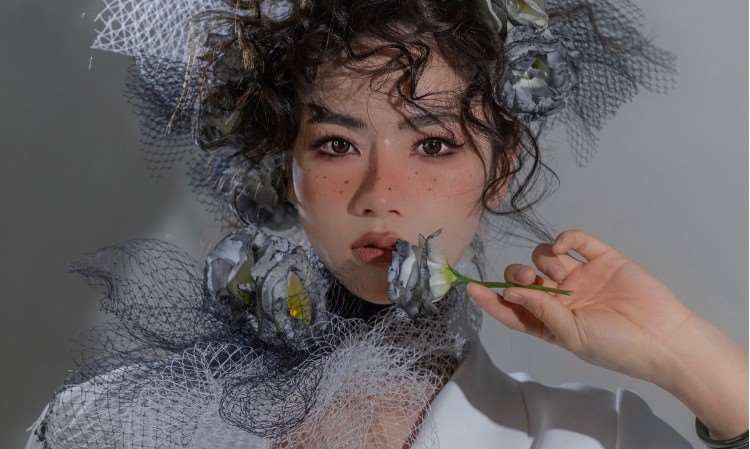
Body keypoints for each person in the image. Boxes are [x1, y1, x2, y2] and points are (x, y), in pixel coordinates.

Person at [25, 0, 748, 448]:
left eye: (432, 145)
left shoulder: (594, 438)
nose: (380, 195)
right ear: (286, 170)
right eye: (336, 145)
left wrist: (687, 350)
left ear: (499, 169)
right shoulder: (123, 422)